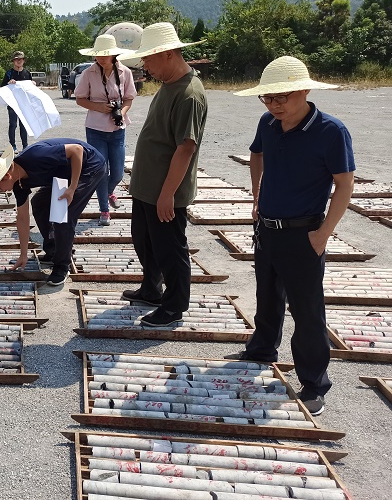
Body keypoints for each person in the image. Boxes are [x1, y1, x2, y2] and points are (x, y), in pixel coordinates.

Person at [228, 56, 354, 416]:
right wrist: (256, 197)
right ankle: (262, 349)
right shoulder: (268, 123)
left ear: (305, 91)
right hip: (267, 229)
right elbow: (256, 155)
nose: (274, 104)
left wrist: (324, 234)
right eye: (268, 97)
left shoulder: (331, 131)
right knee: (267, 295)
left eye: (282, 97)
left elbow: (345, 184)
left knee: (307, 310)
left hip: (304, 233)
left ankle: (314, 384)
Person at [117, 22, 207, 327]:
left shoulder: (189, 93)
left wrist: (167, 194)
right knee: (145, 242)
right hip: (148, 186)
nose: (146, 66)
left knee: (170, 249)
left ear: (168, 54)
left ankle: (174, 306)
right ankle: (151, 289)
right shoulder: (170, 84)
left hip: (165, 191)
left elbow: (186, 148)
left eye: (148, 58)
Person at [0, 139, 105, 287]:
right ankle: (53, 250)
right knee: (39, 203)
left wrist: (72, 188)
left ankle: (62, 266)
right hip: (63, 174)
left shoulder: (35, 156)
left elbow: (77, 150)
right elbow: (23, 218)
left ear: (6, 176)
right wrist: (23, 255)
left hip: (88, 166)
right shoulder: (18, 183)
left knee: (63, 214)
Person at [74, 34, 136, 226]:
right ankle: (104, 210)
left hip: (117, 129)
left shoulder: (125, 72)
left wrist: (121, 113)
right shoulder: (89, 73)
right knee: (101, 170)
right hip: (95, 129)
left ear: (113, 54)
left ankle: (109, 191)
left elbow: (129, 98)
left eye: (105, 54)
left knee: (117, 173)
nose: (100, 57)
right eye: (98, 54)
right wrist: (99, 107)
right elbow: (80, 99)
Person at [2, 51, 31, 151]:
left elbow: (30, 89)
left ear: (23, 61)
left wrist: (33, 84)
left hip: (24, 104)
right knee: (13, 124)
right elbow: (2, 87)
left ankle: (25, 146)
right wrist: (9, 83)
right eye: (17, 59)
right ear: (13, 61)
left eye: (21, 59)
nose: (19, 61)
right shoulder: (9, 73)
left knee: (24, 125)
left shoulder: (27, 73)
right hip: (12, 104)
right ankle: (12, 146)